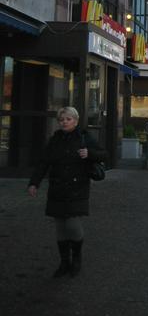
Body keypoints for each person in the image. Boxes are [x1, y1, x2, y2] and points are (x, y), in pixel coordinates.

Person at [27, 106, 107, 278]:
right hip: (57, 188)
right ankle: (64, 263)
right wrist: (34, 183)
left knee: (72, 224)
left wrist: (89, 153)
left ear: (76, 121)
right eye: (61, 119)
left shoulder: (85, 137)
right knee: (60, 226)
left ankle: (76, 257)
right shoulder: (55, 139)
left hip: (77, 188)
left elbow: (104, 154)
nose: (64, 122)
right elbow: (43, 163)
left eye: (68, 119)